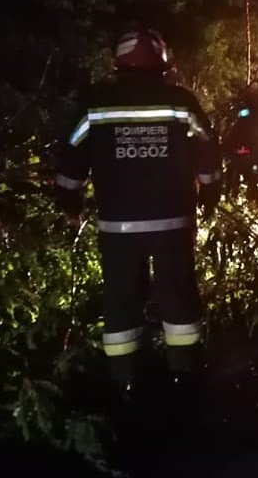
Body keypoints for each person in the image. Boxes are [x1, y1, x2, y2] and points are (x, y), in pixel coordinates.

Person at [53, 28, 222, 396]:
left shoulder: (96, 105)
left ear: (119, 62)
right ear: (163, 62)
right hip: (172, 223)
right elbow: (206, 152)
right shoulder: (180, 102)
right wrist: (210, 192)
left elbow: (70, 159)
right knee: (177, 292)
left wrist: (70, 204)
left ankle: (124, 380)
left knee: (120, 296)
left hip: (117, 226)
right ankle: (184, 375)